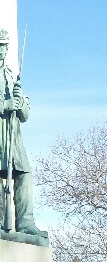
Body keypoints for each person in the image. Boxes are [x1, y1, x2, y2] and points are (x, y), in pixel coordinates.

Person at [0, 29, 46, 239]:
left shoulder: (10, 75)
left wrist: (20, 104)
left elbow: (25, 114)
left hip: (12, 133)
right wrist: (6, 104)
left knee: (24, 174)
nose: (1, 50)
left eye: (3, 46)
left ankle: (25, 222)